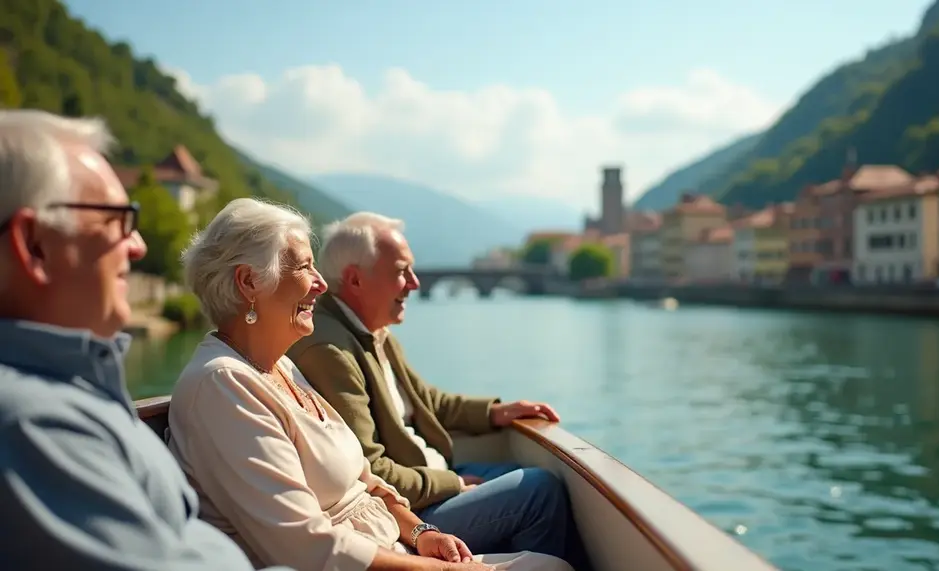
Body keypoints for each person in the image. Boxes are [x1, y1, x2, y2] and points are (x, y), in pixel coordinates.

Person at [166, 197, 572, 571]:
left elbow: (366, 478)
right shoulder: (222, 386)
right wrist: (443, 568)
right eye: (305, 266)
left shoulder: (281, 368)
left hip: (396, 545)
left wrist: (422, 533)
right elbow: (306, 546)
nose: (321, 284)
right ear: (249, 282)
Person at [0, 110, 278, 570]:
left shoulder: (72, 393)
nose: (139, 245)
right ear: (33, 246)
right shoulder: (35, 428)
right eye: (116, 219)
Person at [286, 212, 586, 567]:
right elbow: (368, 469)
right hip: (408, 514)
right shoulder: (330, 350)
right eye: (401, 272)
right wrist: (452, 483)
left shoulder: (371, 331)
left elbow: (425, 401)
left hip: (431, 480)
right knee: (539, 491)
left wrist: (494, 412)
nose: (414, 283)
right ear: (355, 280)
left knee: (527, 477)